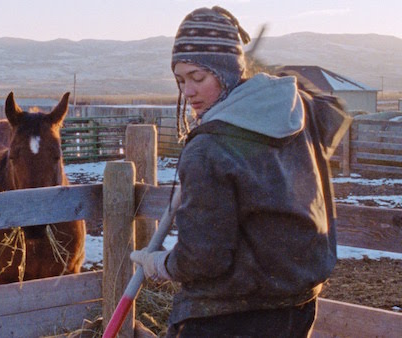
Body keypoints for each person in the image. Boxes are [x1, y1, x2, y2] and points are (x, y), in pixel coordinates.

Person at [130, 6, 352, 337]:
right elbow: (334, 115)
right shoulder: (295, 109)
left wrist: (160, 264)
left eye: (198, 77)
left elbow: (203, 259)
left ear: (228, 72)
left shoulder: (208, 149)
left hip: (226, 315)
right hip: (296, 305)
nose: (187, 92)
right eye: (180, 80)